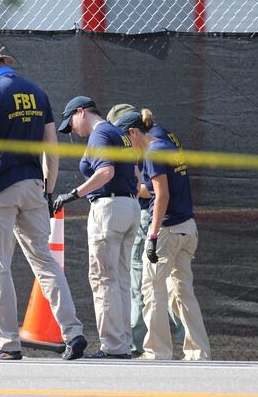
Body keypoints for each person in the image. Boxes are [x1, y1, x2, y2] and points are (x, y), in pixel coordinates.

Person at [0, 46, 87, 361]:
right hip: (33, 186)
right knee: (44, 262)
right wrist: (48, 188)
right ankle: (73, 332)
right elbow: (51, 148)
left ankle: (6, 342)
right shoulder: (36, 93)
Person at [53, 96, 140, 359]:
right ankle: (122, 343)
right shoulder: (119, 133)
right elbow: (135, 175)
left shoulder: (100, 133)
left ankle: (113, 346)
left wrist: (74, 194)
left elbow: (106, 173)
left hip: (109, 209)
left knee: (103, 279)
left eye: (71, 124)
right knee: (121, 280)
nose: (72, 131)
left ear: (81, 112)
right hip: (130, 206)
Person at [121, 110, 211, 360]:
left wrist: (152, 235)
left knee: (152, 289)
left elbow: (162, 196)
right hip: (187, 227)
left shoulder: (152, 152)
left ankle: (157, 351)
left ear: (133, 133)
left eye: (127, 141)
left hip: (167, 230)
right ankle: (198, 352)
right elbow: (158, 190)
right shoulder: (168, 145)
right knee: (183, 292)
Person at [108, 105, 185, 356]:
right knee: (176, 288)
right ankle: (188, 345)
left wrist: (124, 183)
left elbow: (154, 190)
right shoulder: (166, 136)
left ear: (132, 130)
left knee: (145, 285)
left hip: (153, 219)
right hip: (175, 220)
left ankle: (138, 344)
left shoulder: (151, 145)